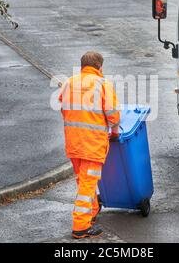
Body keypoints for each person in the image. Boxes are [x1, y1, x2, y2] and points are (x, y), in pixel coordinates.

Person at [58, 51, 120, 239]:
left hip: (73, 143)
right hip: (92, 144)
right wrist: (115, 132)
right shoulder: (103, 84)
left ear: (83, 65)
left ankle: (91, 211)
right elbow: (113, 115)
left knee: (83, 181)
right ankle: (80, 227)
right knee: (87, 183)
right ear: (100, 67)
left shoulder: (69, 82)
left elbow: (63, 107)